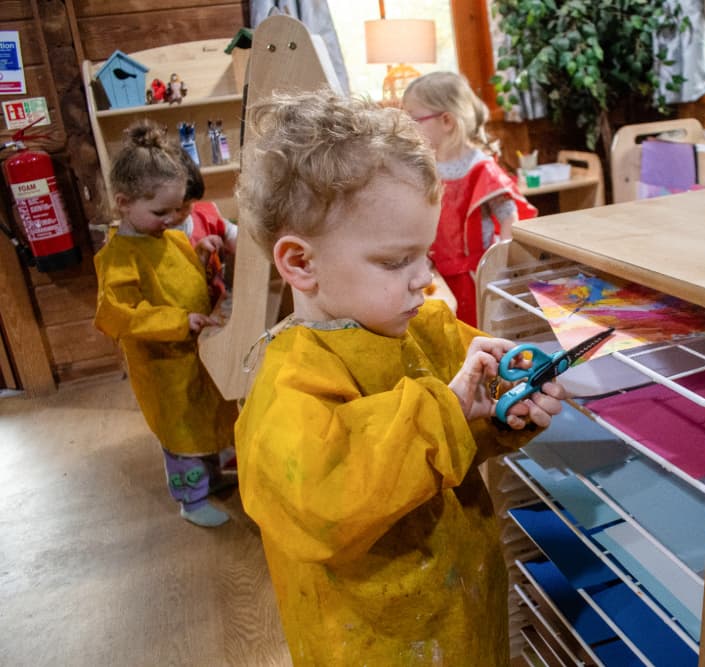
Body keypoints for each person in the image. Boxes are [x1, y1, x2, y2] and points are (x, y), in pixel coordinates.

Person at [234, 90, 566, 665]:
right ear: (300, 262)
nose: (424, 279)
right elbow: (328, 506)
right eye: (395, 262)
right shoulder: (289, 386)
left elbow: (456, 440)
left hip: (460, 606)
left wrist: (506, 404)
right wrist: (450, 410)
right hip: (375, 642)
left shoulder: (428, 328)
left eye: (425, 254)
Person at [93, 120, 238, 528]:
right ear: (123, 202)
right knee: (181, 432)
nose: (173, 218)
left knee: (210, 412)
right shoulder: (117, 258)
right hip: (162, 367)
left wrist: (207, 254)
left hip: (195, 350)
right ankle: (191, 499)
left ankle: (217, 474)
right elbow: (117, 314)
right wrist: (178, 321)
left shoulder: (173, 238)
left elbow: (190, 282)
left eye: (177, 209)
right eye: (161, 211)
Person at [402, 71, 537, 327]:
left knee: (478, 328)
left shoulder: (480, 168)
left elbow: (510, 215)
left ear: (447, 121)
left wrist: (503, 265)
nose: (409, 126)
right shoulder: (426, 167)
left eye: (414, 118)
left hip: (476, 275)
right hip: (435, 273)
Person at [174, 150, 238, 307]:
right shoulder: (155, 235)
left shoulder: (204, 215)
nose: (184, 212)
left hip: (216, 305)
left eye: (188, 205)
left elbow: (234, 235)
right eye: (176, 208)